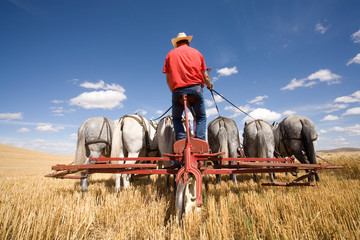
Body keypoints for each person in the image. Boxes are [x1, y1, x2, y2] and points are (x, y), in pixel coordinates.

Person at [163, 32, 213, 141]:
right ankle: (199, 140)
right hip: (196, 89)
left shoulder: (170, 54)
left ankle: (181, 140)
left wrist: (174, 91)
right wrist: (210, 86)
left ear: (177, 43)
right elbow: (206, 77)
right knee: (201, 117)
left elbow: (168, 79)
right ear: (188, 42)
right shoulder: (197, 53)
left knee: (176, 118)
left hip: (177, 91)